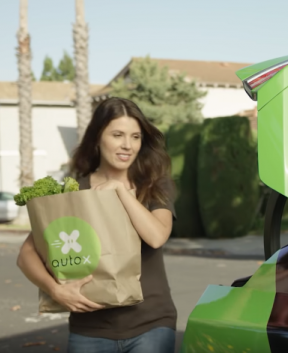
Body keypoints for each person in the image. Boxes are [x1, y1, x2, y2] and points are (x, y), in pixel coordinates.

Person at [16, 97, 178, 353]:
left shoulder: (154, 184)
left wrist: (121, 192)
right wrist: (56, 291)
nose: (127, 145)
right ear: (98, 137)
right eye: (117, 135)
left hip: (152, 324)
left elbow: (157, 236)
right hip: (90, 330)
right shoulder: (75, 190)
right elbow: (26, 255)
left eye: (135, 137)